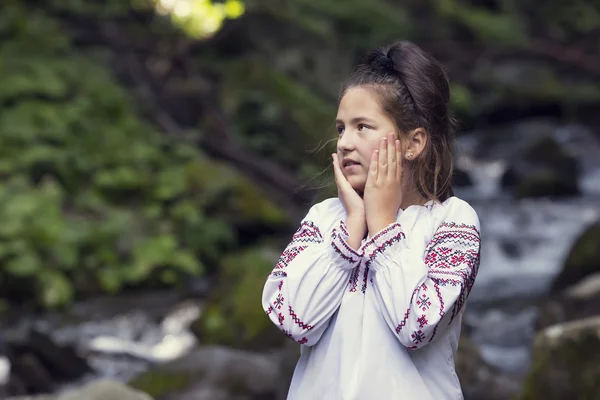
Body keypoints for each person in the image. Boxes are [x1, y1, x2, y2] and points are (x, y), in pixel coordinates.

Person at [261, 40, 481, 400]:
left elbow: (418, 326)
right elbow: (292, 320)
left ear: (413, 143)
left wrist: (381, 225)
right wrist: (351, 231)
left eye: (362, 126)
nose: (345, 143)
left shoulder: (453, 222)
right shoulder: (324, 219)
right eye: (340, 129)